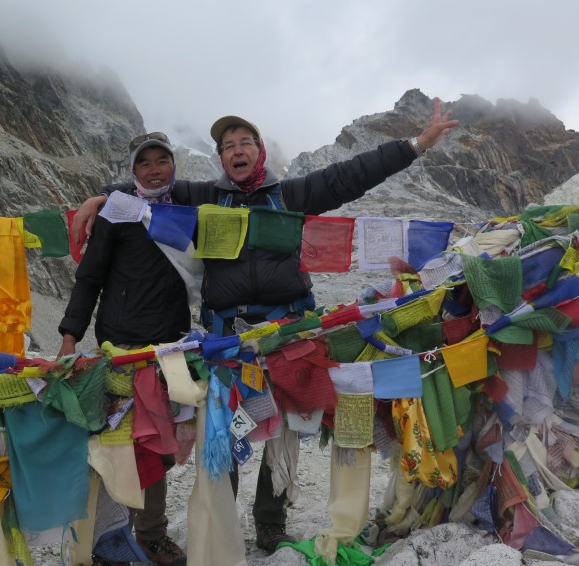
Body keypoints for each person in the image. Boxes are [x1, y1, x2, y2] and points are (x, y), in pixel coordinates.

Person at [71, 99, 458, 554]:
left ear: (260, 151)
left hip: (286, 333)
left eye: (244, 142)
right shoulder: (205, 197)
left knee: (284, 431)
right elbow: (153, 185)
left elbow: (352, 175)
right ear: (220, 159)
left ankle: (271, 522)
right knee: (225, 425)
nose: (237, 150)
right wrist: (103, 197)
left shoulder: (291, 195)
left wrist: (417, 144)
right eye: (228, 145)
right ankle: (220, 521)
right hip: (225, 336)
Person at [57, 132, 189, 566]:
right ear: (133, 171)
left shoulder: (185, 206)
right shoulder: (117, 211)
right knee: (118, 445)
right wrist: (69, 334)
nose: (154, 169)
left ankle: (150, 533)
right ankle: (109, 538)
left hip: (169, 350)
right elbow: (90, 277)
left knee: (158, 446)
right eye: (145, 162)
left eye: (162, 160)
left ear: (174, 164)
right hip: (123, 348)